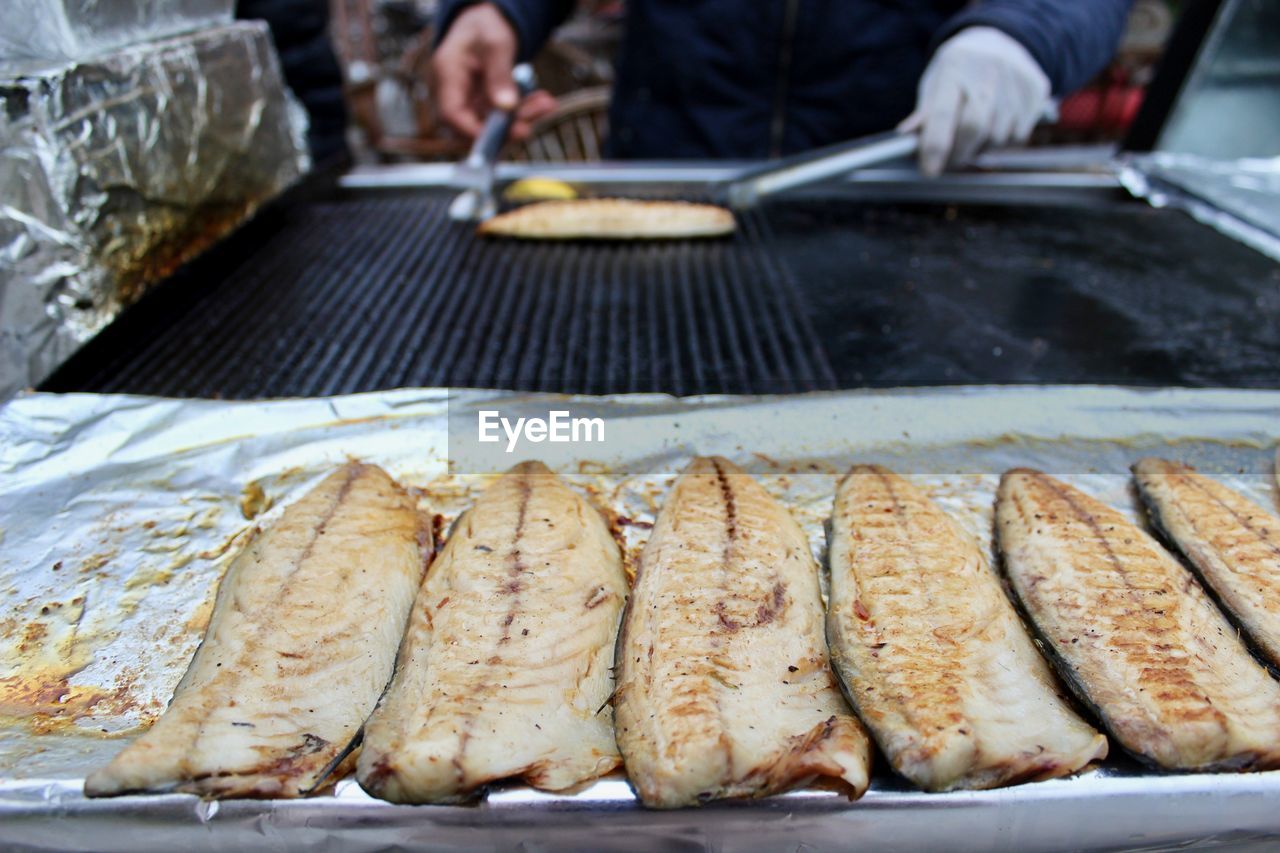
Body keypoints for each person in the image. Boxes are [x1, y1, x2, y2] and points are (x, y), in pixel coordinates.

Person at [430, 0, 1133, 175]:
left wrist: (1022, 31)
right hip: (671, 171)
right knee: (614, 432)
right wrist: (500, 7)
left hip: (888, 179)